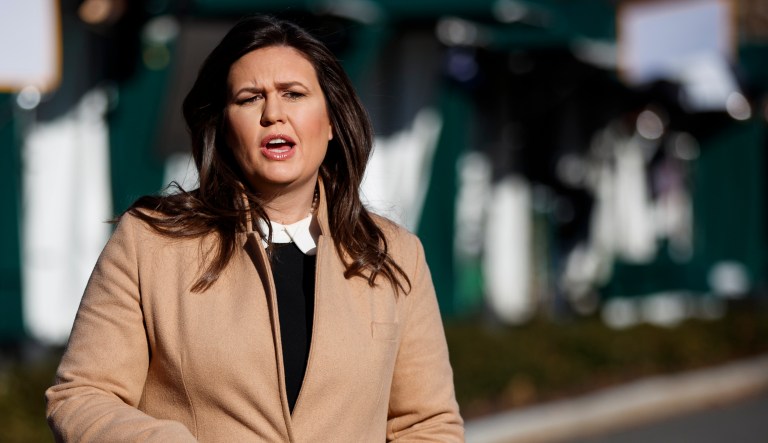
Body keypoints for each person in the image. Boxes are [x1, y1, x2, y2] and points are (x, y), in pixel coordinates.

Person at [45, 15, 464, 442]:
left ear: (333, 119)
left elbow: (427, 424)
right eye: (249, 98)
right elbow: (81, 395)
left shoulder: (395, 253)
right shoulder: (150, 242)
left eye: (294, 94)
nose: (273, 114)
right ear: (223, 127)